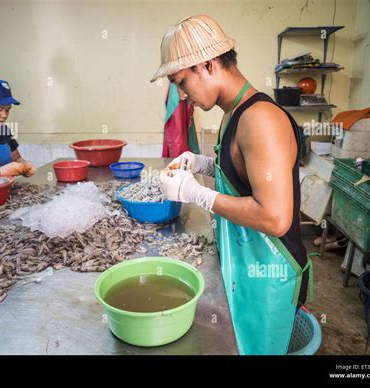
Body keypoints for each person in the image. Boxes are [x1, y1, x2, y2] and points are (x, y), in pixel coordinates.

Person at [153, 15, 312, 355]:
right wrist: (201, 164)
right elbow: (244, 177)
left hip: (271, 278)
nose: (181, 96)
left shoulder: (261, 120)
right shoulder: (233, 113)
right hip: (248, 267)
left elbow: (275, 218)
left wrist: (194, 193)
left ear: (207, 65)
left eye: (182, 82)